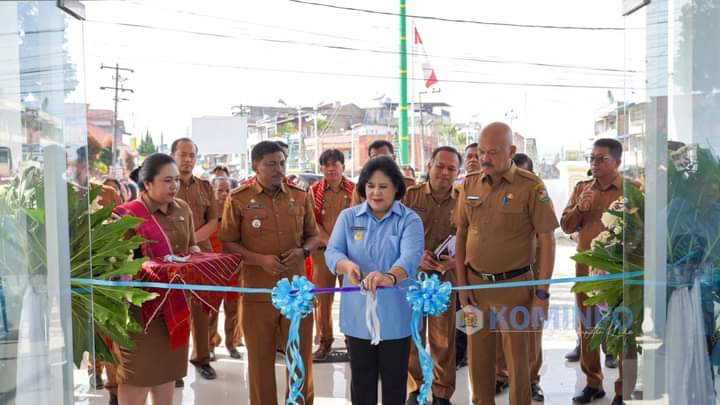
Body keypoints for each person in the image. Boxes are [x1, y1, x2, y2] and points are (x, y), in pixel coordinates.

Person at [455, 122, 558, 405]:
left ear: (512, 151)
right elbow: (461, 233)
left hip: (516, 288)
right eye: (482, 151)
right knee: (478, 360)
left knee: (518, 365)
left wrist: (542, 294)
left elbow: (547, 240)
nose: (485, 158)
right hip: (475, 289)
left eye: (494, 152)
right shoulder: (470, 184)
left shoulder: (531, 186)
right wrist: (463, 287)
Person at [219, 140, 320, 405]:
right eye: (271, 164)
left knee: (299, 358)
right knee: (261, 362)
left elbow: (313, 236)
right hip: (258, 292)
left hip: (297, 292)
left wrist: (303, 252)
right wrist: (259, 260)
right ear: (256, 166)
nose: (279, 169)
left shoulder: (299, 195)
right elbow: (228, 242)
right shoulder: (238, 198)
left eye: (282, 163)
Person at [325, 156, 424, 405]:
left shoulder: (409, 219)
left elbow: (411, 256)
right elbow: (332, 252)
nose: (376, 192)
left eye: (383, 186)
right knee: (362, 382)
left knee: (394, 383)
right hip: (358, 317)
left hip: (397, 316)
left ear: (396, 188)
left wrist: (391, 276)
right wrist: (347, 265)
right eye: (370, 186)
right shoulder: (348, 218)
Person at [113, 153, 201, 405]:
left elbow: (192, 247)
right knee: (136, 379)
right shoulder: (125, 215)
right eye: (167, 181)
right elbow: (117, 267)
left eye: (176, 180)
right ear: (147, 184)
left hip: (175, 308)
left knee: (166, 376)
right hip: (140, 312)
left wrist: (195, 258)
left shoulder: (183, 209)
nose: (174, 186)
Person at [561, 138, 628, 405]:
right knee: (587, 326)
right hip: (585, 269)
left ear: (617, 162)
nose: (594, 164)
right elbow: (565, 226)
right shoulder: (581, 189)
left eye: (601, 159)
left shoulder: (631, 190)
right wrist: (580, 208)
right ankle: (593, 383)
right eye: (592, 158)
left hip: (618, 273)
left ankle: (623, 389)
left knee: (623, 329)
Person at [403, 146, 462, 405]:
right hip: (412, 280)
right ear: (429, 166)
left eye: (451, 168)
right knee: (413, 337)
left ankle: (441, 393)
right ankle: (415, 390)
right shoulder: (410, 197)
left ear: (458, 172)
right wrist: (415, 256)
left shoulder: (465, 200)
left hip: (445, 281)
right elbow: (394, 234)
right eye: (440, 166)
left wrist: (455, 261)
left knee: (444, 342)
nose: (445, 173)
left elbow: (472, 239)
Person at [493, 153, 545, 401]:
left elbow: (547, 242)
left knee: (530, 334)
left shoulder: (534, 191)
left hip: (529, 274)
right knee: (500, 330)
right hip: (502, 276)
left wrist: (542, 289)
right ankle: (502, 376)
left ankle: (531, 380)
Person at [170, 138, 219, 382]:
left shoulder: (205, 187)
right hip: (171, 258)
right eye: (182, 155)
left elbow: (213, 221)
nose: (187, 159)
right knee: (175, 310)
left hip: (201, 256)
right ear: (172, 156)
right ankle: (174, 367)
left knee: (202, 309)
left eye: (192, 155)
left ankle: (202, 358)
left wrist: (193, 241)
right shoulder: (164, 186)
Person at [309, 148, 355, 361]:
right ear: (321, 168)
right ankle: (324, 342)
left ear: (342, 167)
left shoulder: (355, 190)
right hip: (322, 254)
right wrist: (332, 244)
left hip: (350, 255)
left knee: (352, 298)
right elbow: (312, 224)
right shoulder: (313, 191)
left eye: (335, 164)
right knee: (323, 299)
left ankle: (352, 340)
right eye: (326, 165)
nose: (331, 169)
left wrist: (345, 247)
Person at [207, 176, 243, 359]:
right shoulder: (207, 215)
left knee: (232, 310)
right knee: (211, 312)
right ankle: (210, 346)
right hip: (211, 272)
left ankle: (231, 344)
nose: (223, 194)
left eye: (227, 190)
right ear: (212, 192)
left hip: (233, 271)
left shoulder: (236, 214)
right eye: (219, 190)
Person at [453, 142, 481, 371]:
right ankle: (462, 353)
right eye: (469, 156)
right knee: (462, 314)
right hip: (454, 269)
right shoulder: (457, 190)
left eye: (477, 156)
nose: (473, 160)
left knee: (478, 320)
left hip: (480, 268)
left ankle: (478, 354)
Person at [350, 140, 416, 205]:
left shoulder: (409, 184)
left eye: (384, 157)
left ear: (394, 157)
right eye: (375, 158)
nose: (380, 161)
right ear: (369, 160)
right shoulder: (361, 187)